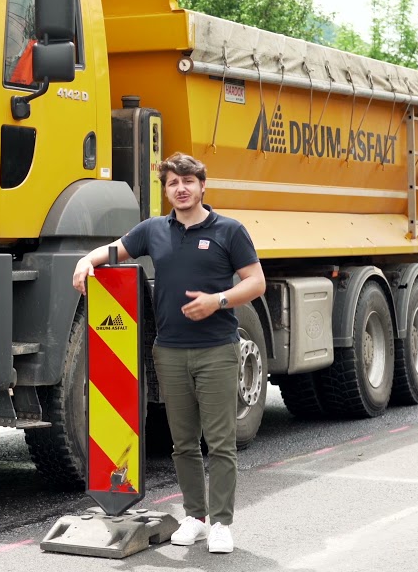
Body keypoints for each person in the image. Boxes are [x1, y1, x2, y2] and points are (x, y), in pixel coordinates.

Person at [72, 152, 266, 554]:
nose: (181, 188)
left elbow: (256, 282)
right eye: (173, 182)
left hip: (217, 350)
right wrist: (85, 262)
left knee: (221, 442)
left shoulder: (229, 231)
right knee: (183, 443)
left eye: (188, 181)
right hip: (170, 352)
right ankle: (195, 517)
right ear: (166, 189)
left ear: (202, 186)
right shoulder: (152, 231)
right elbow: (115, 251)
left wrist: (219, 300)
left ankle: (222, 523)